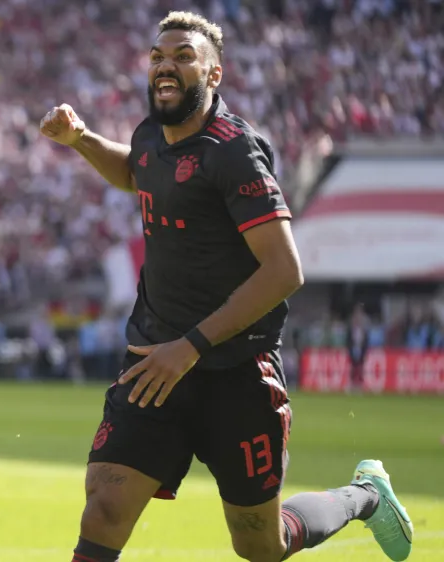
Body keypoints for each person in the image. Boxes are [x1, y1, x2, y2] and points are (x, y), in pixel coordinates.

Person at [40, 12, 413, 562]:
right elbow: (137, 171)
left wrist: (188, 348)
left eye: (184, 57)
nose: (166, 66)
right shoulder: (150, 134)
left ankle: (364, 496)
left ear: (214, 75)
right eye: (158, 56)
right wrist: (81, 139)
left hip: (235, 370)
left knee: (261, 545)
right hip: (153, 361)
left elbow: (285, 271)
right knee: (103, 512)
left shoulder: (234, 150)